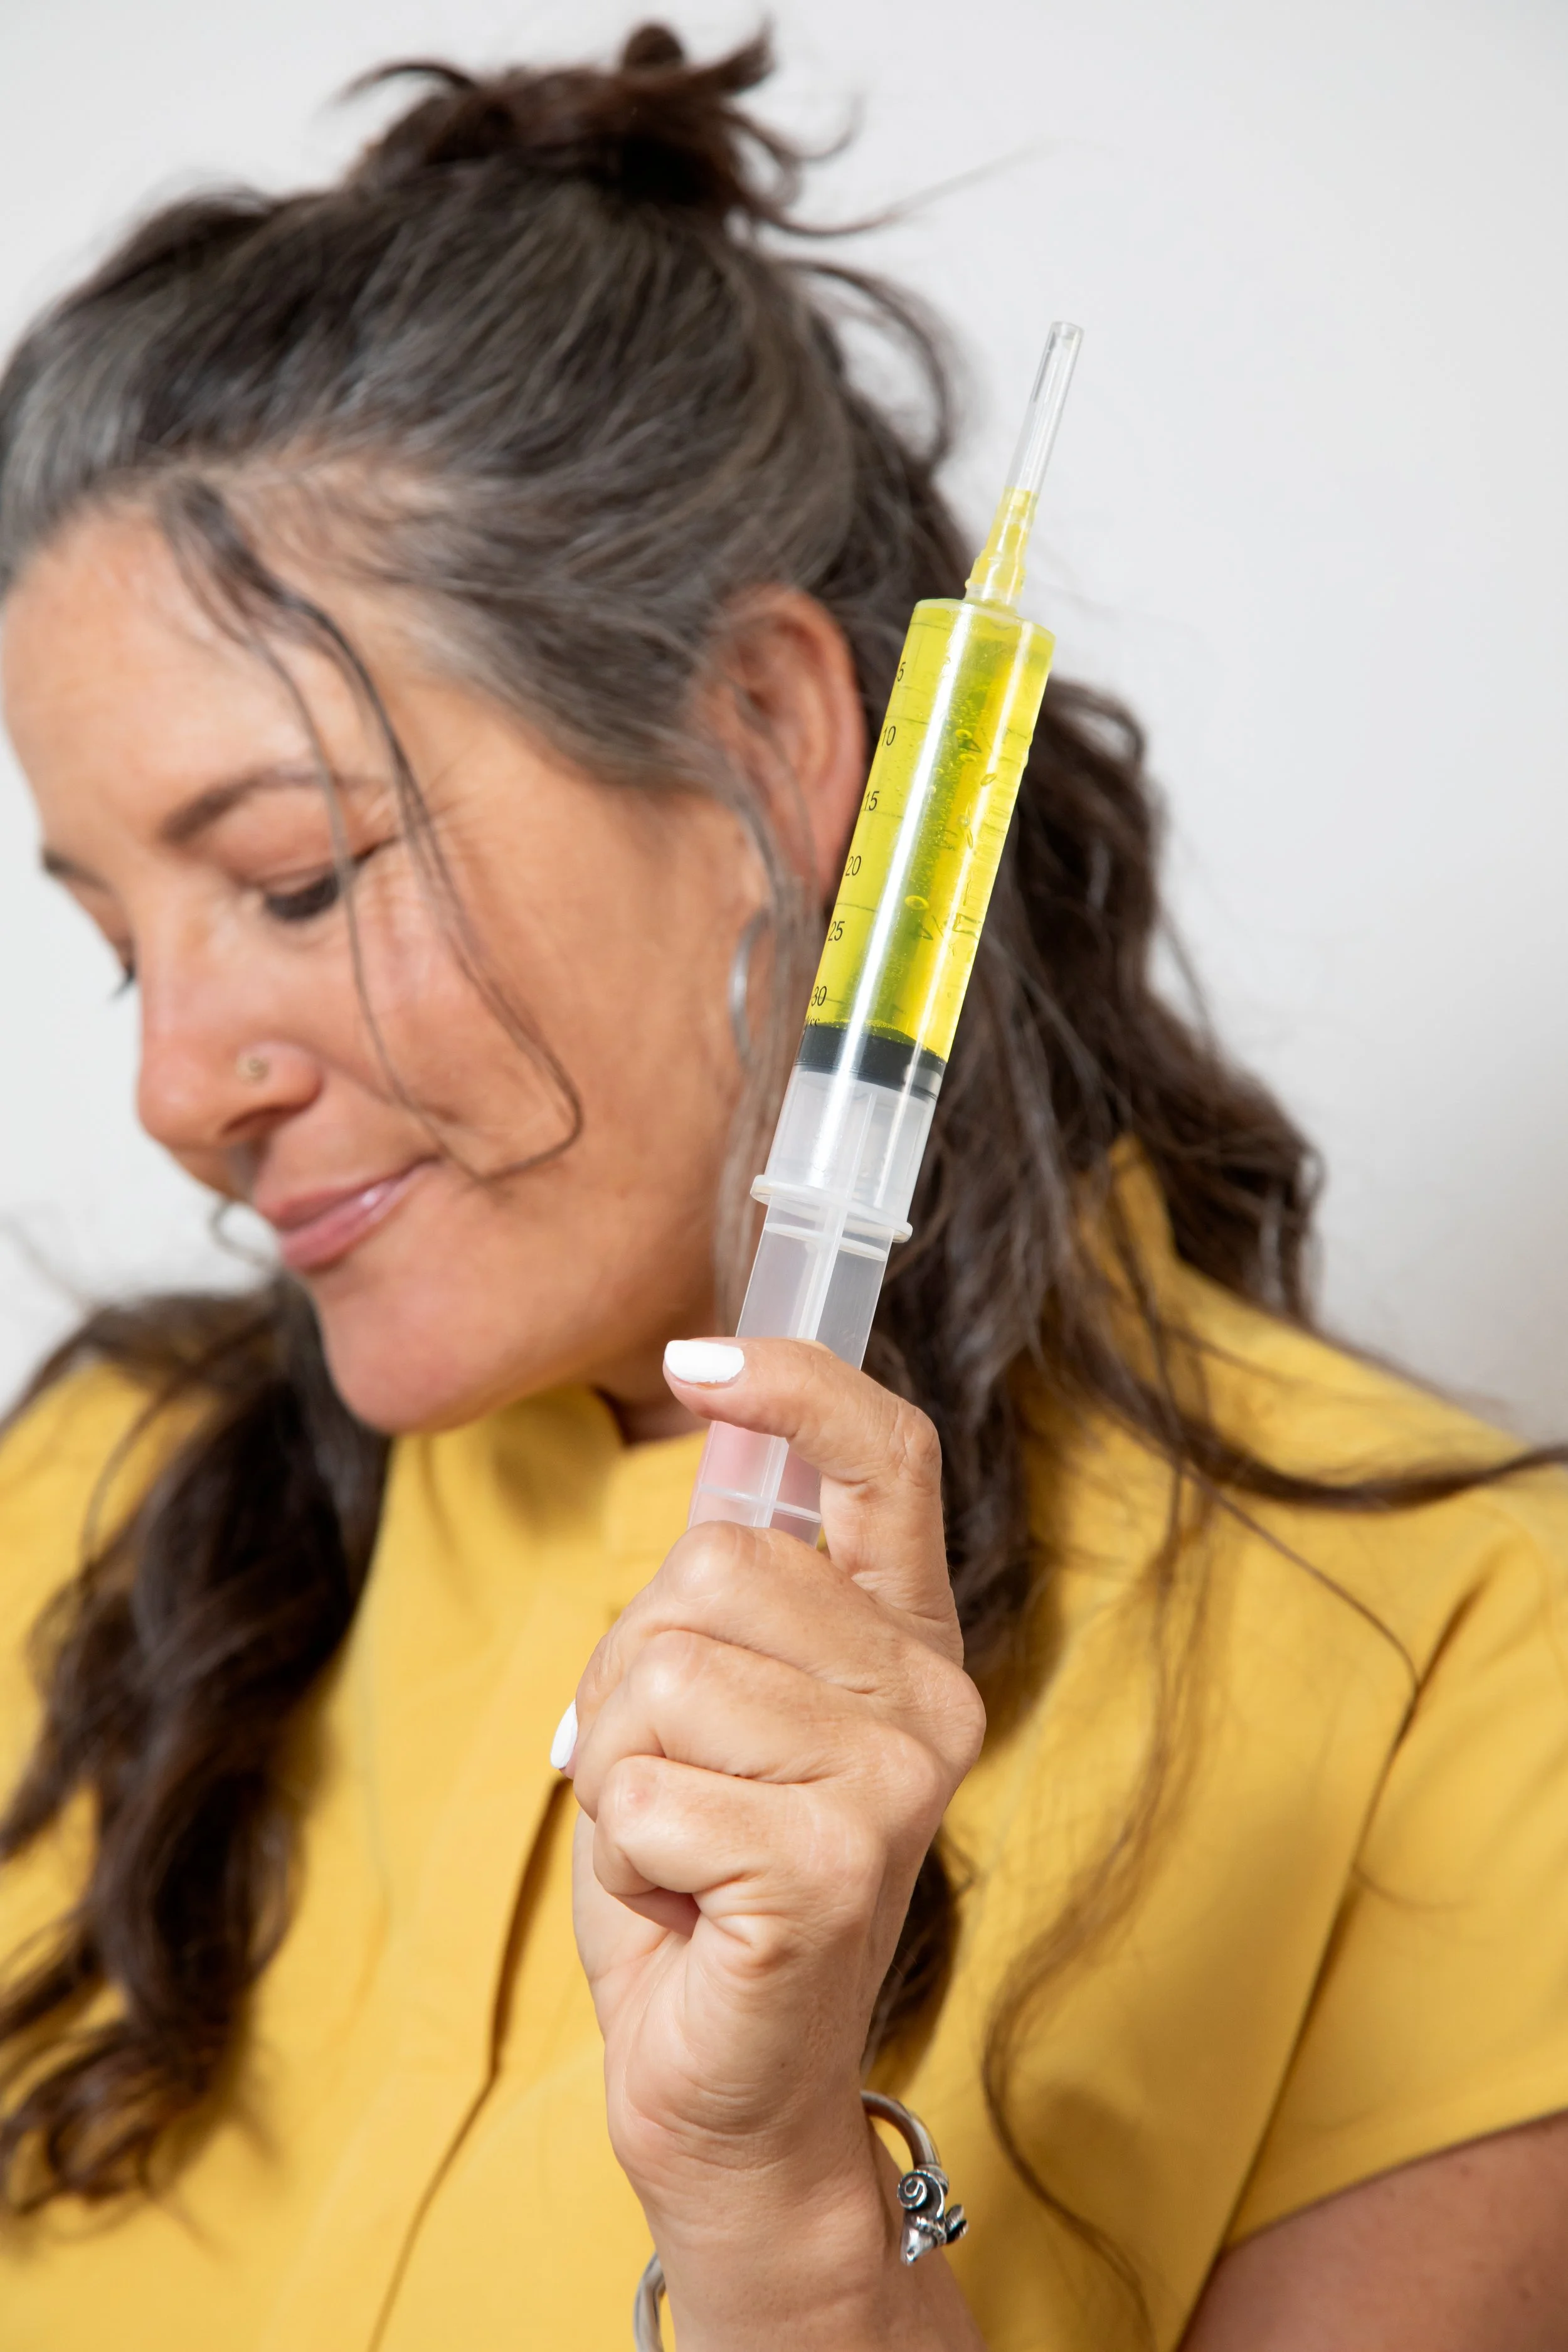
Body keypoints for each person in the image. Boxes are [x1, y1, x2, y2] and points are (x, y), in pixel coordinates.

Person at [3, 25, 1568, 2351]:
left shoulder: (1462, 1673)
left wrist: (774, 2213)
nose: (171, 1086)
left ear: (768, 734)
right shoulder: (93, 1508)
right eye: (126, 942)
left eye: (303, 880)